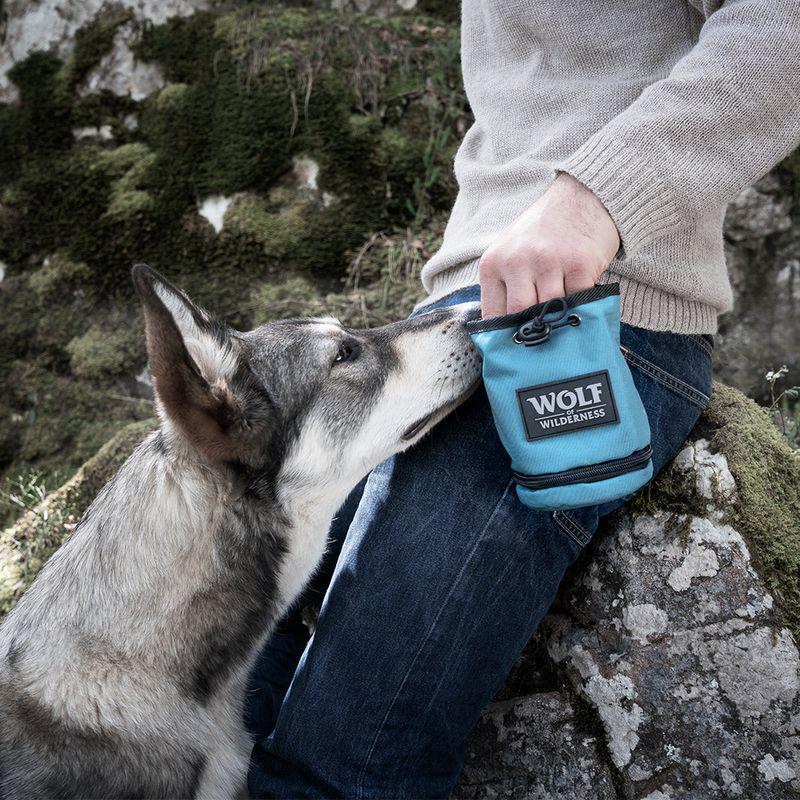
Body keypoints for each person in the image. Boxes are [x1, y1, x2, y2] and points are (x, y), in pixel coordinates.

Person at [247, 1, 800, 796]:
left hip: (596, 314)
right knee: (211, 713)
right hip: (446, 322)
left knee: (339, 762)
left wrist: (596, 200)